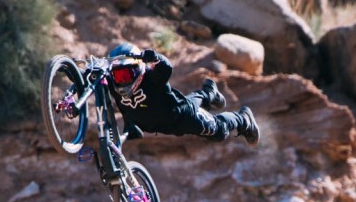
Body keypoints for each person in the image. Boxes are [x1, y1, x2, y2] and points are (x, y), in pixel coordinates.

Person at [106, 42, 260, 146]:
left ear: (138, 68)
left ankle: (243, 119)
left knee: (218, 131)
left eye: (125, 75)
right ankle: (208, 93)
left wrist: (154, 57)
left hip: (183, 118)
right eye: (117, 76)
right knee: (185, 102)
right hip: (164, 120)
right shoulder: (112, 84)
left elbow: (166, 67)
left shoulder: (152, 77)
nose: (121, 80)